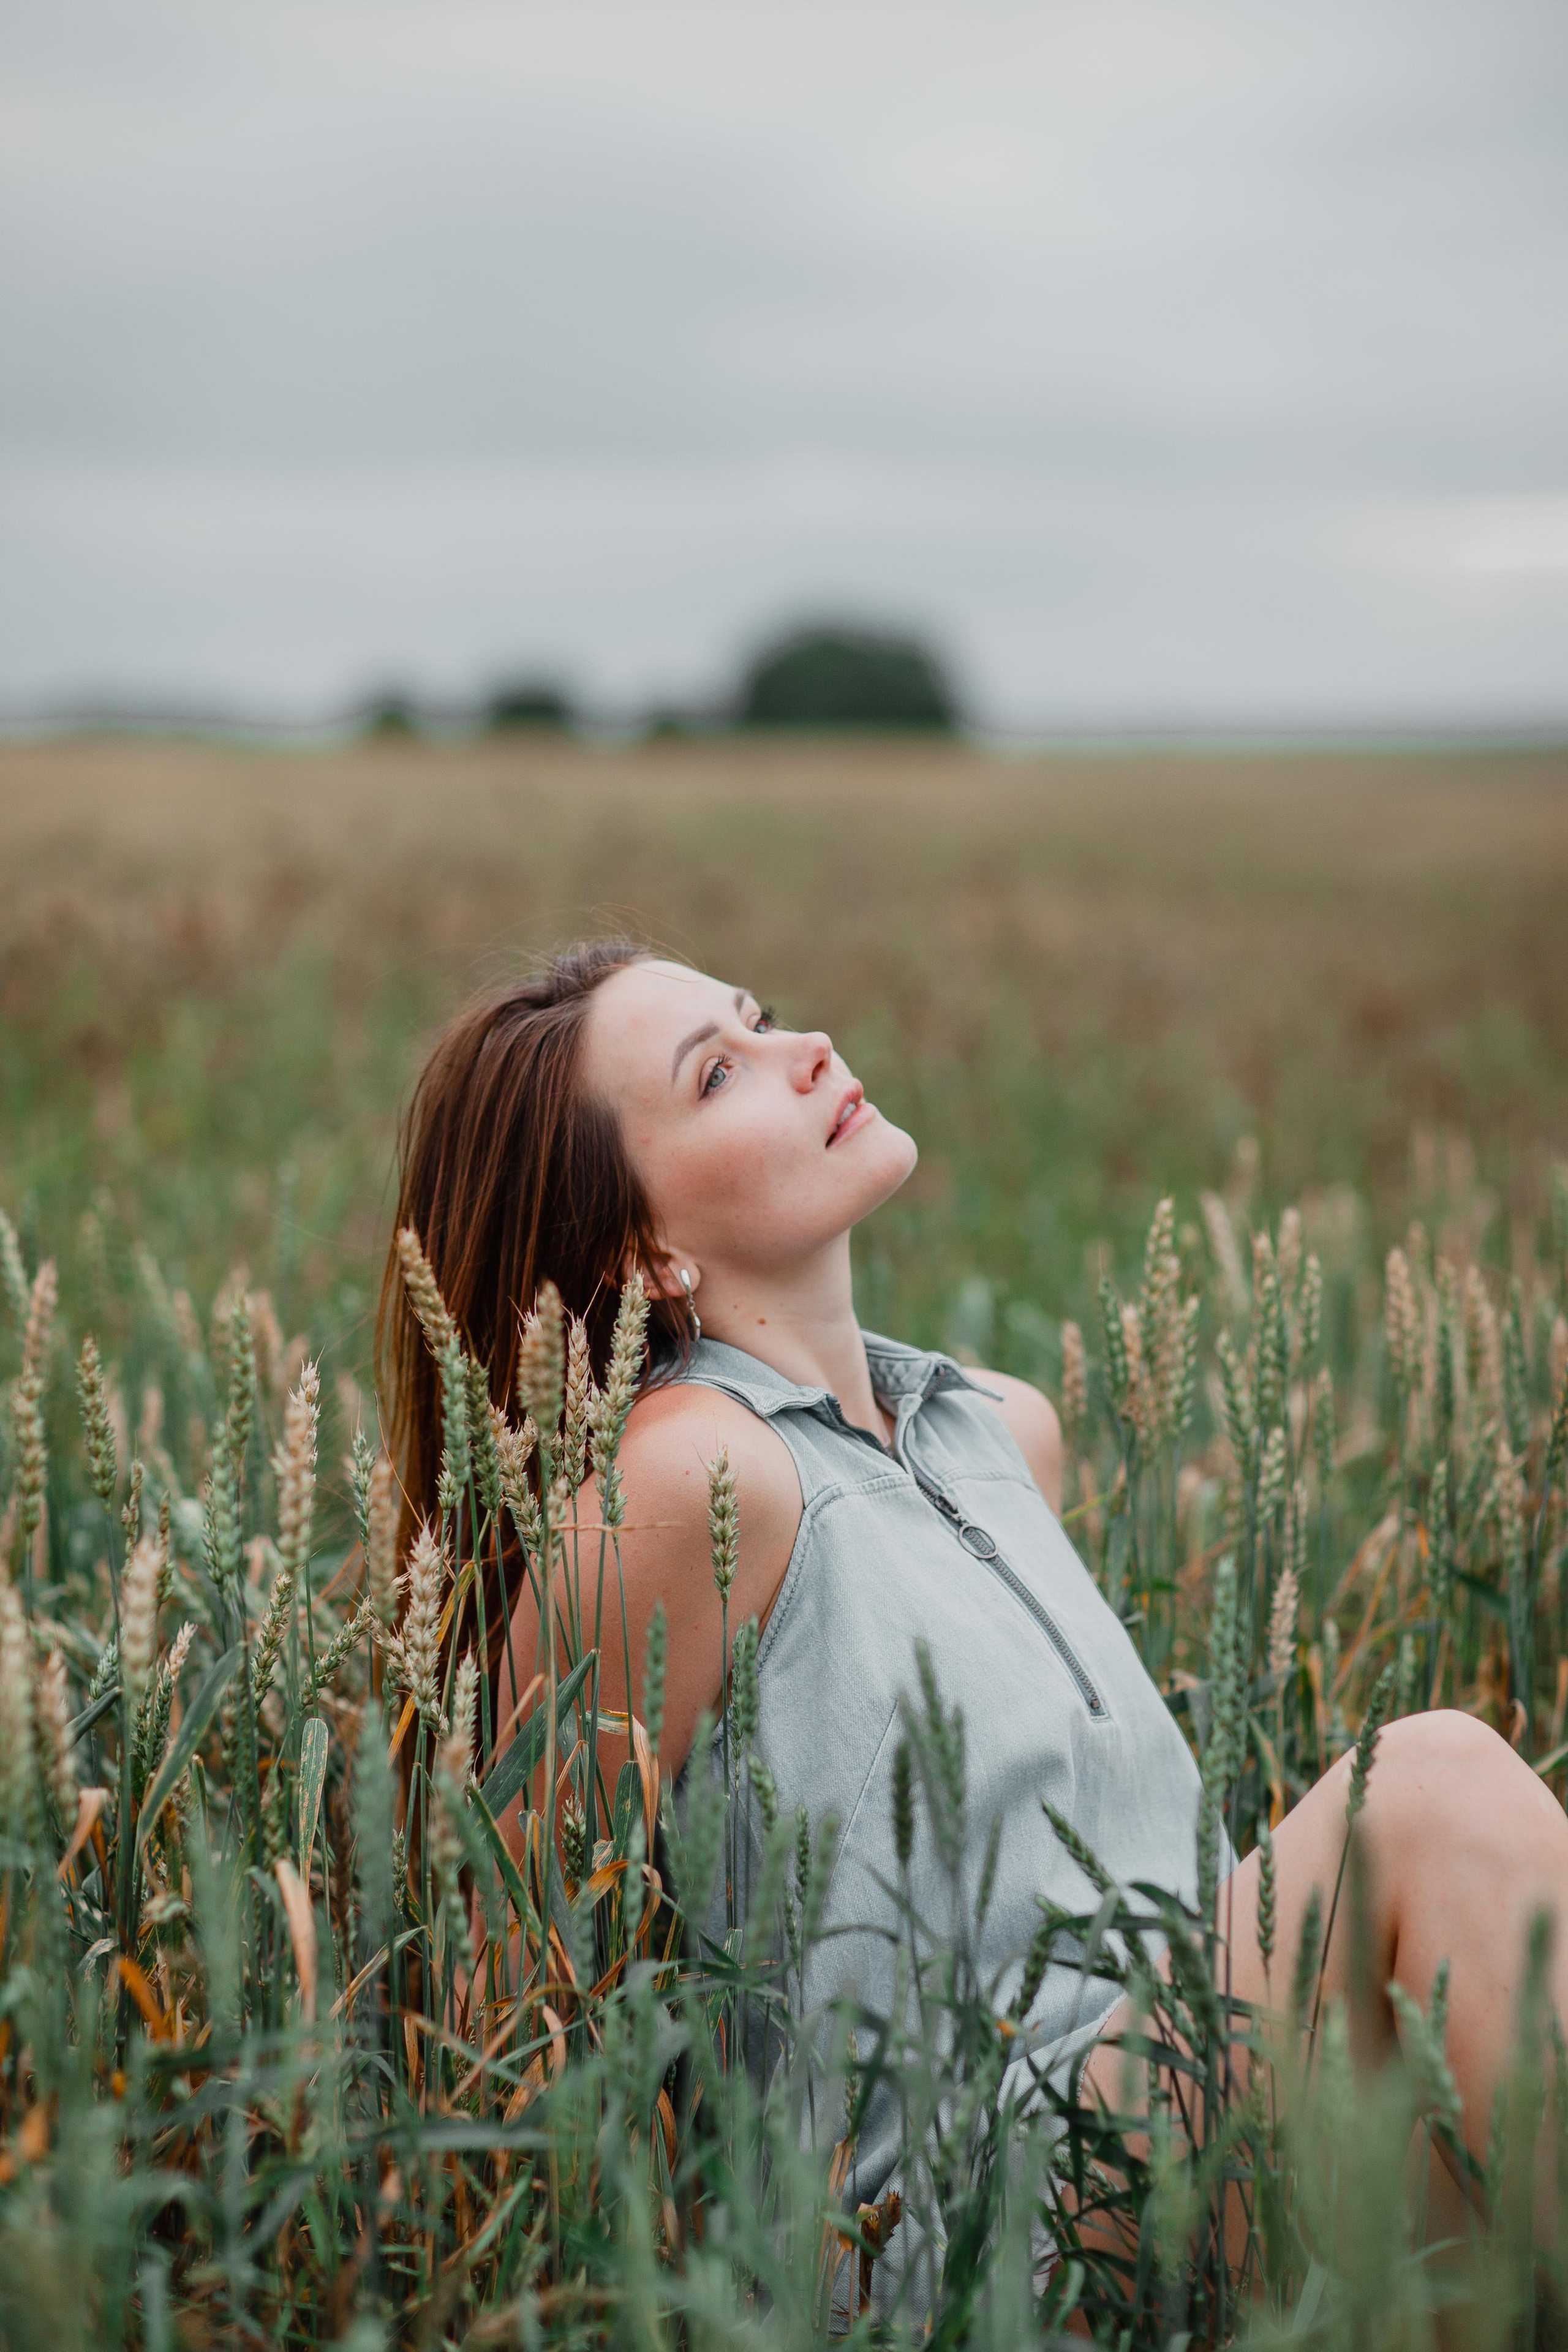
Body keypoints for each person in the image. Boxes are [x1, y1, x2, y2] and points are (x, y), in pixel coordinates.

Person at [381, 938, 1568, 2293]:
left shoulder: (1001, 1431)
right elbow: (503, 1985)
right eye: (718, 1075)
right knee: (1423, 1785)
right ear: (644, 1248)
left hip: (1189, 2123)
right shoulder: (684, 1476)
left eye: (757, 1020)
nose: (804, 1049)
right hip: (964, 2239)